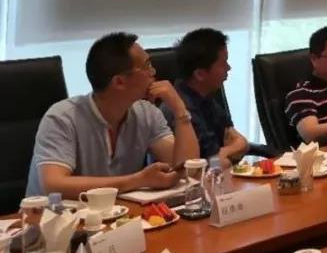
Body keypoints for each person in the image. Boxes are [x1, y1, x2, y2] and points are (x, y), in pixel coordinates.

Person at [25, 32, 199, 198]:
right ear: (119, 82)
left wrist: (179, 109)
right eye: (147, 66)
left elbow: (188, 169)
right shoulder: (62, 117)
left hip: (114, 214)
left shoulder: (146, 113)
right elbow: (54, 185)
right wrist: (137, 180)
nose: (153, 72)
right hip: (51, 216)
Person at [161, 28, 249, 163]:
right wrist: (229, 153)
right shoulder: (178, 108)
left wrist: (226, 152)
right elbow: (197, 164)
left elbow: (241, 142)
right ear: (200, 74)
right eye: (223, 63)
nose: (229, 68)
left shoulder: (206, 96)